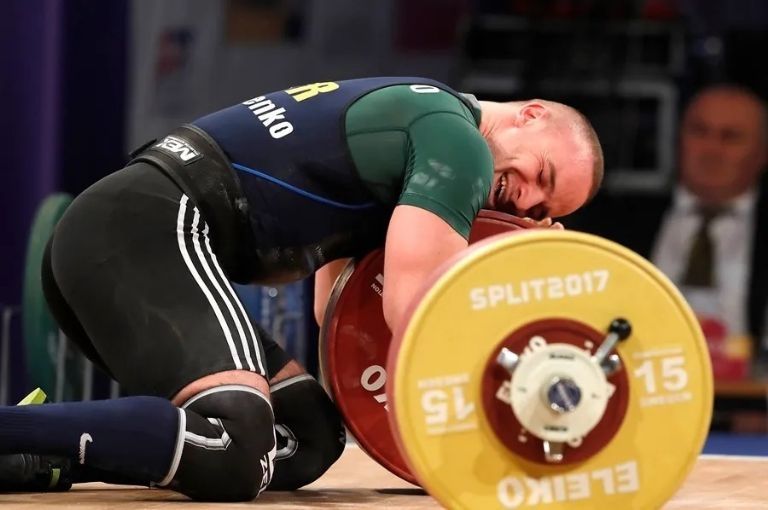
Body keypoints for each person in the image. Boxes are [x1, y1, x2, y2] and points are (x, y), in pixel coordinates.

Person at [0, 77, 603, 501]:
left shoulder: (424, 125)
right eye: (542, 174)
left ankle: (39, 459)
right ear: (530, 114)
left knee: (307, 436)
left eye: (542, 208)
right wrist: (514, 375)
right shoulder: (458, 144)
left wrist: (499, 241)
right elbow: (415, 313)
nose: (525, 199)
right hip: (142, 231)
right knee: (236, 443)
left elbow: (337, 313)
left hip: (120, 238)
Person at [576, 84, 768, 377]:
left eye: (730, 137)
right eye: (699, 131)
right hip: (636, 384)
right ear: (678, 139)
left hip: (753, 396)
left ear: (762, 152)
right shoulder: (611, 222)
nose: (712, 149)